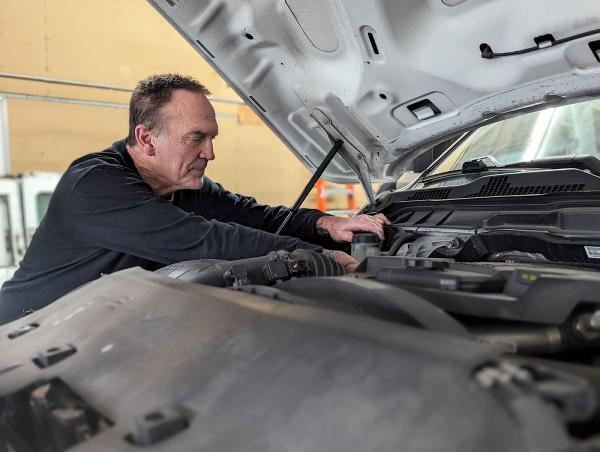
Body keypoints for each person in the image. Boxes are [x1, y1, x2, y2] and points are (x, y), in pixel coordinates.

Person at [0, 74, 389, 324]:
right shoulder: (94, 186)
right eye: (196, 138)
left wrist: (327, 224)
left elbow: (253, 216)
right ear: (147, 139)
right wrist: (316, 256)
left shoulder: (179, 185)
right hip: (22, 338)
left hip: (91, 333)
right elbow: (204, 239)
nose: (209, 153)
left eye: (212, 138)